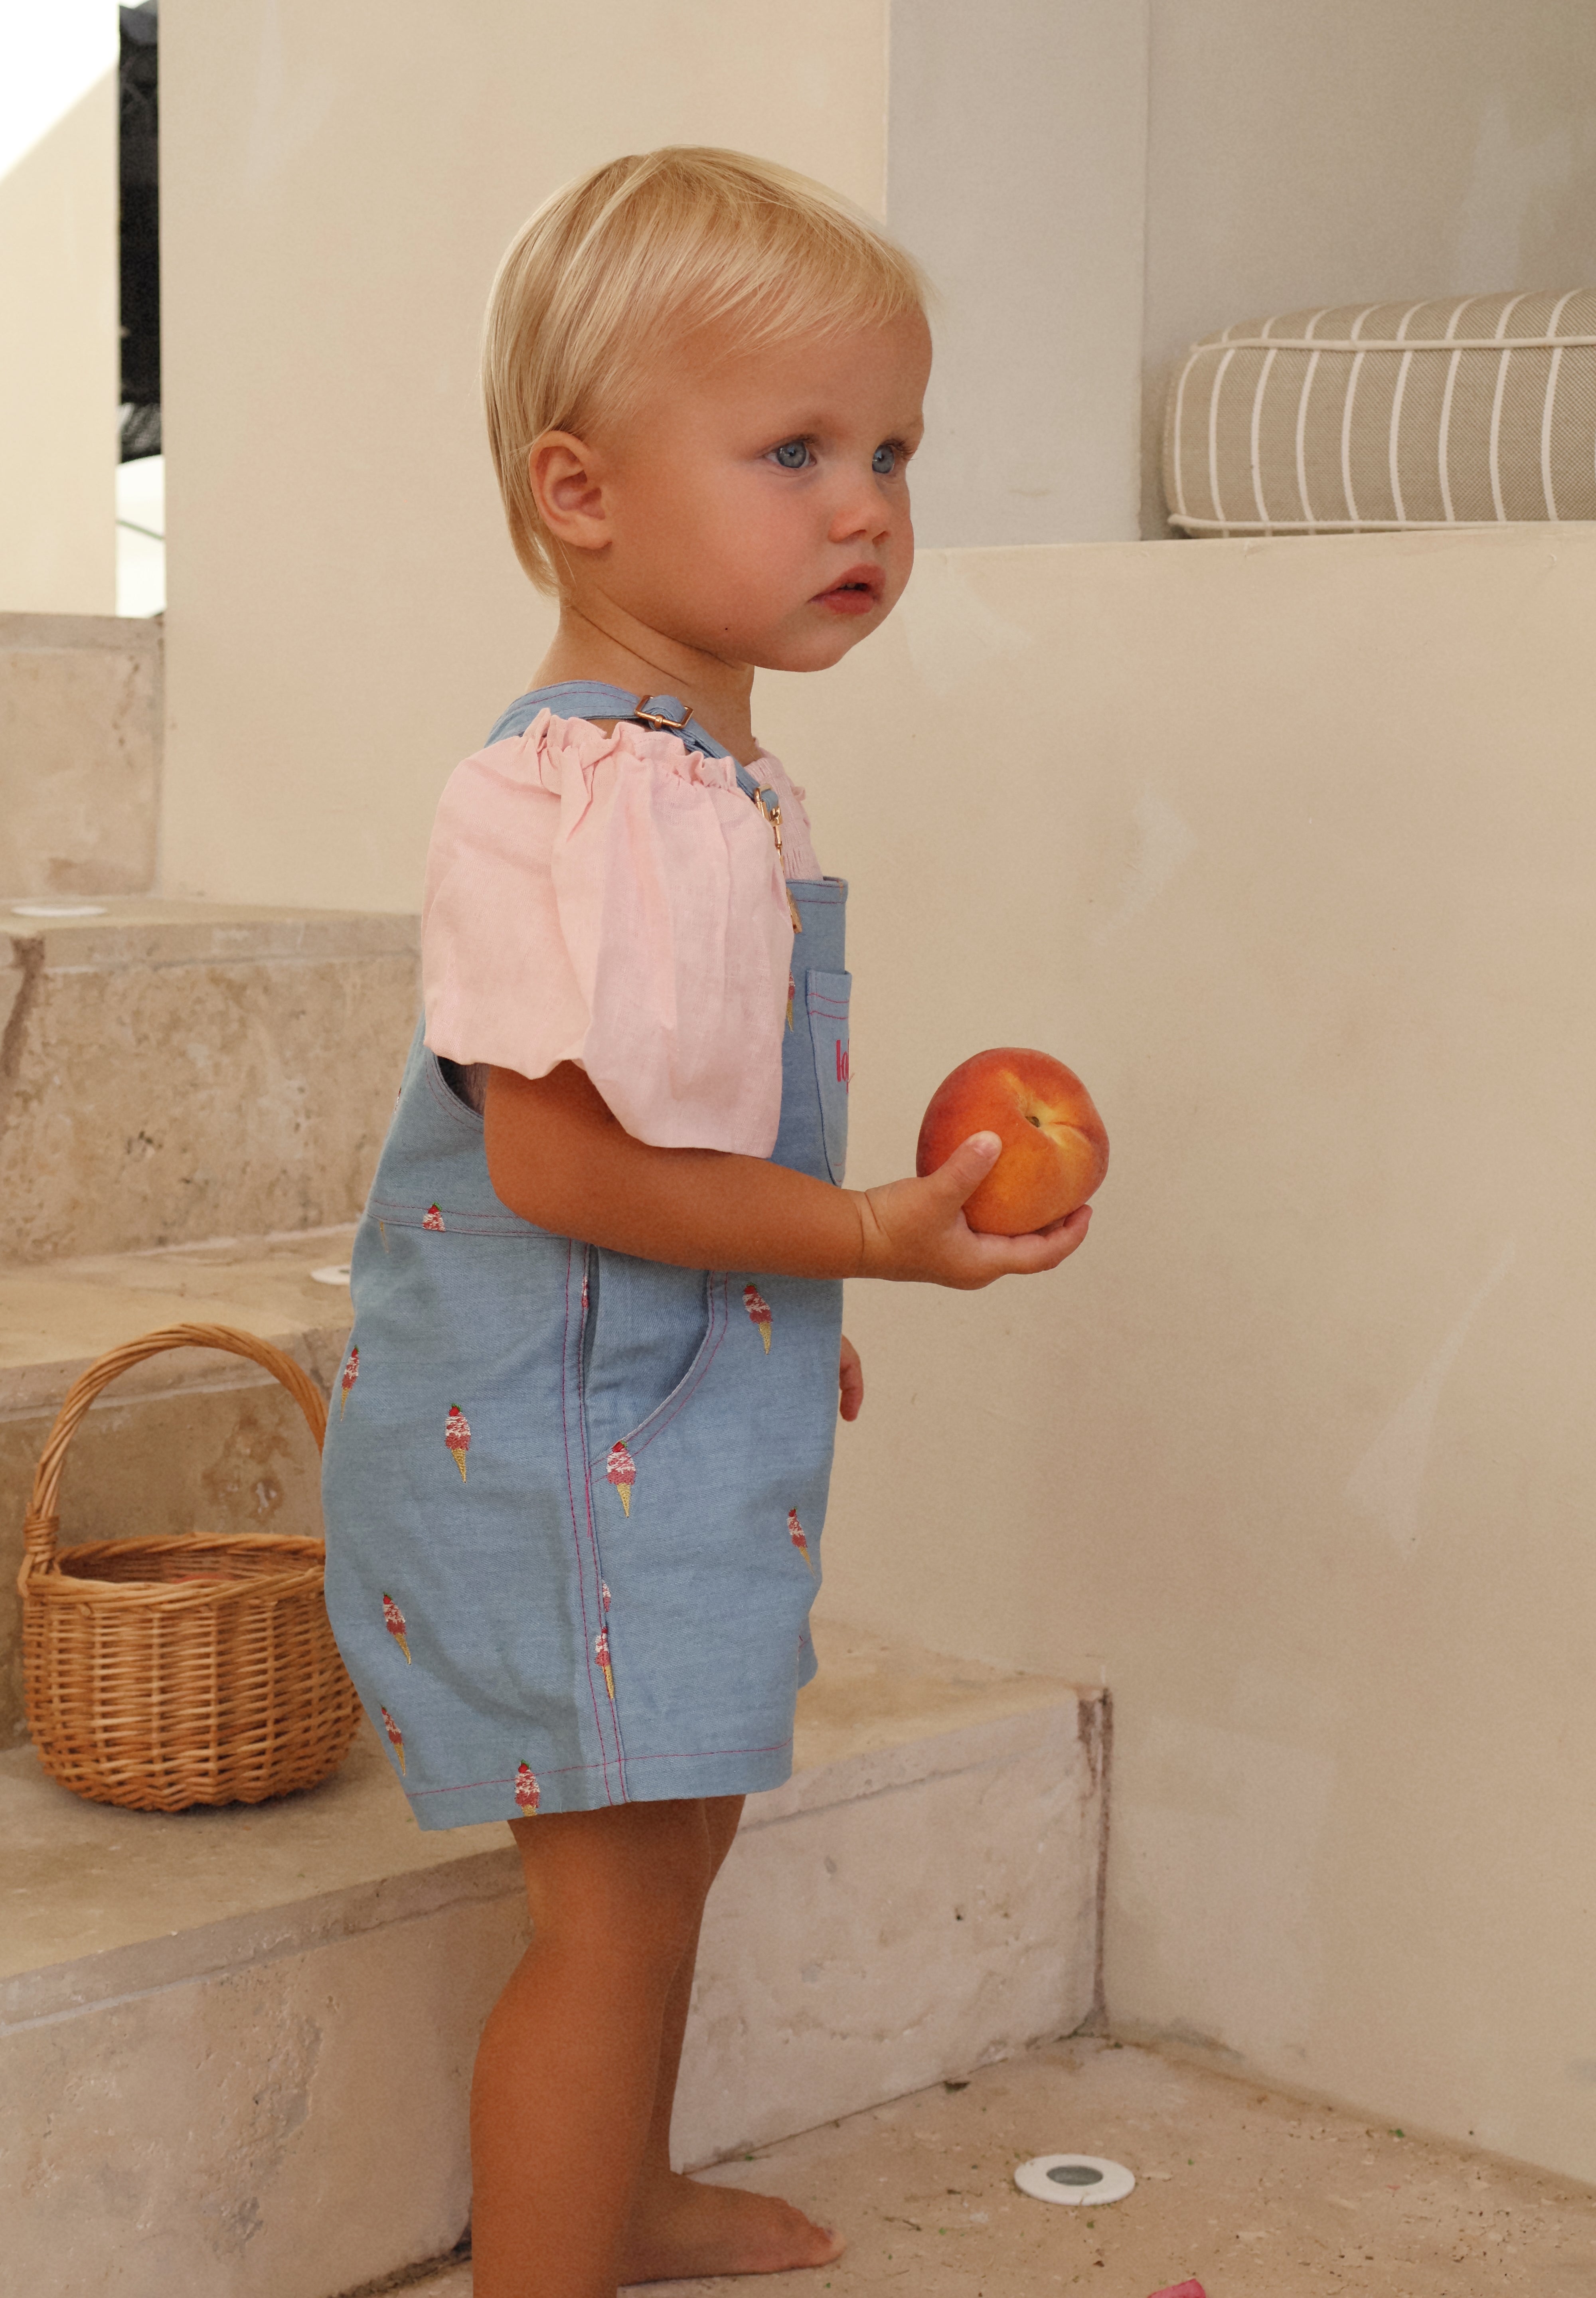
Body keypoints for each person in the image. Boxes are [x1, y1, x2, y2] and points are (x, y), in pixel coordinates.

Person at [321, 146, 1091, 2298]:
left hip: (641, 1395)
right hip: (559, 1440)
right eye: (793, 450)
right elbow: (558, 1170)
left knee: (682, 1833)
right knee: (613, 1904)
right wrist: (856, 1236)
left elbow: (659, 1147)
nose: (868, 504)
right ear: (581, 496)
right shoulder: (574, 803)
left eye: (892, 450)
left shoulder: (701, 778)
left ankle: (622, 2196)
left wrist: (768, 1304)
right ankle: (552, 2260)